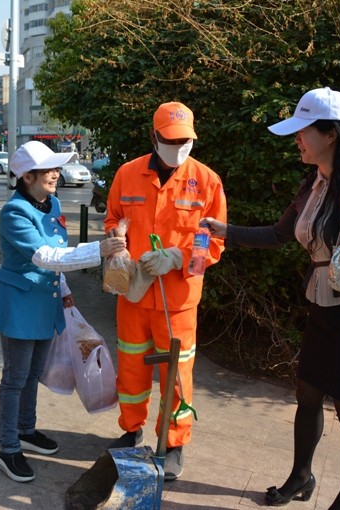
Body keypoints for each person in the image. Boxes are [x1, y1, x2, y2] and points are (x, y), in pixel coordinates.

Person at [202, 87, 340, 510]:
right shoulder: (313, 183)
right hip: (323, 308)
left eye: (303, 131)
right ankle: (301, 476)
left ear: (331, 133)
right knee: (308, 394)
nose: (297, 139)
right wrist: (226, 231)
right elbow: (280, 234)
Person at [0, 141, 127, 483]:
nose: (56, 174)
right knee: (14, 379)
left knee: (33, 374)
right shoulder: (14, 213)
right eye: (49, 170)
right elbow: (45, 256)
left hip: (48, 300)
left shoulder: (52, 202)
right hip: (19, 304)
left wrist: (66, 293)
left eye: (56, 168)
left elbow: (57, 254)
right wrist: (99, 249)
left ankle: (26, 430)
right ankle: (8, 448)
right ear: (27, 176)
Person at [104, 101, 227, 481]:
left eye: (185, 141)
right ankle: (131, 430)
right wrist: (117, 241)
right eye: (171, 141)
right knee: (131, 367)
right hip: (134, 293)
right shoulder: (127, 174)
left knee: (177, 375)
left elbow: (215, 241)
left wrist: (178, 257)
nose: (178, 147)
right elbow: (113, 218)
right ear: (153, 137)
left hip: (178, 301)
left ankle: (173, 443)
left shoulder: (207, 181)